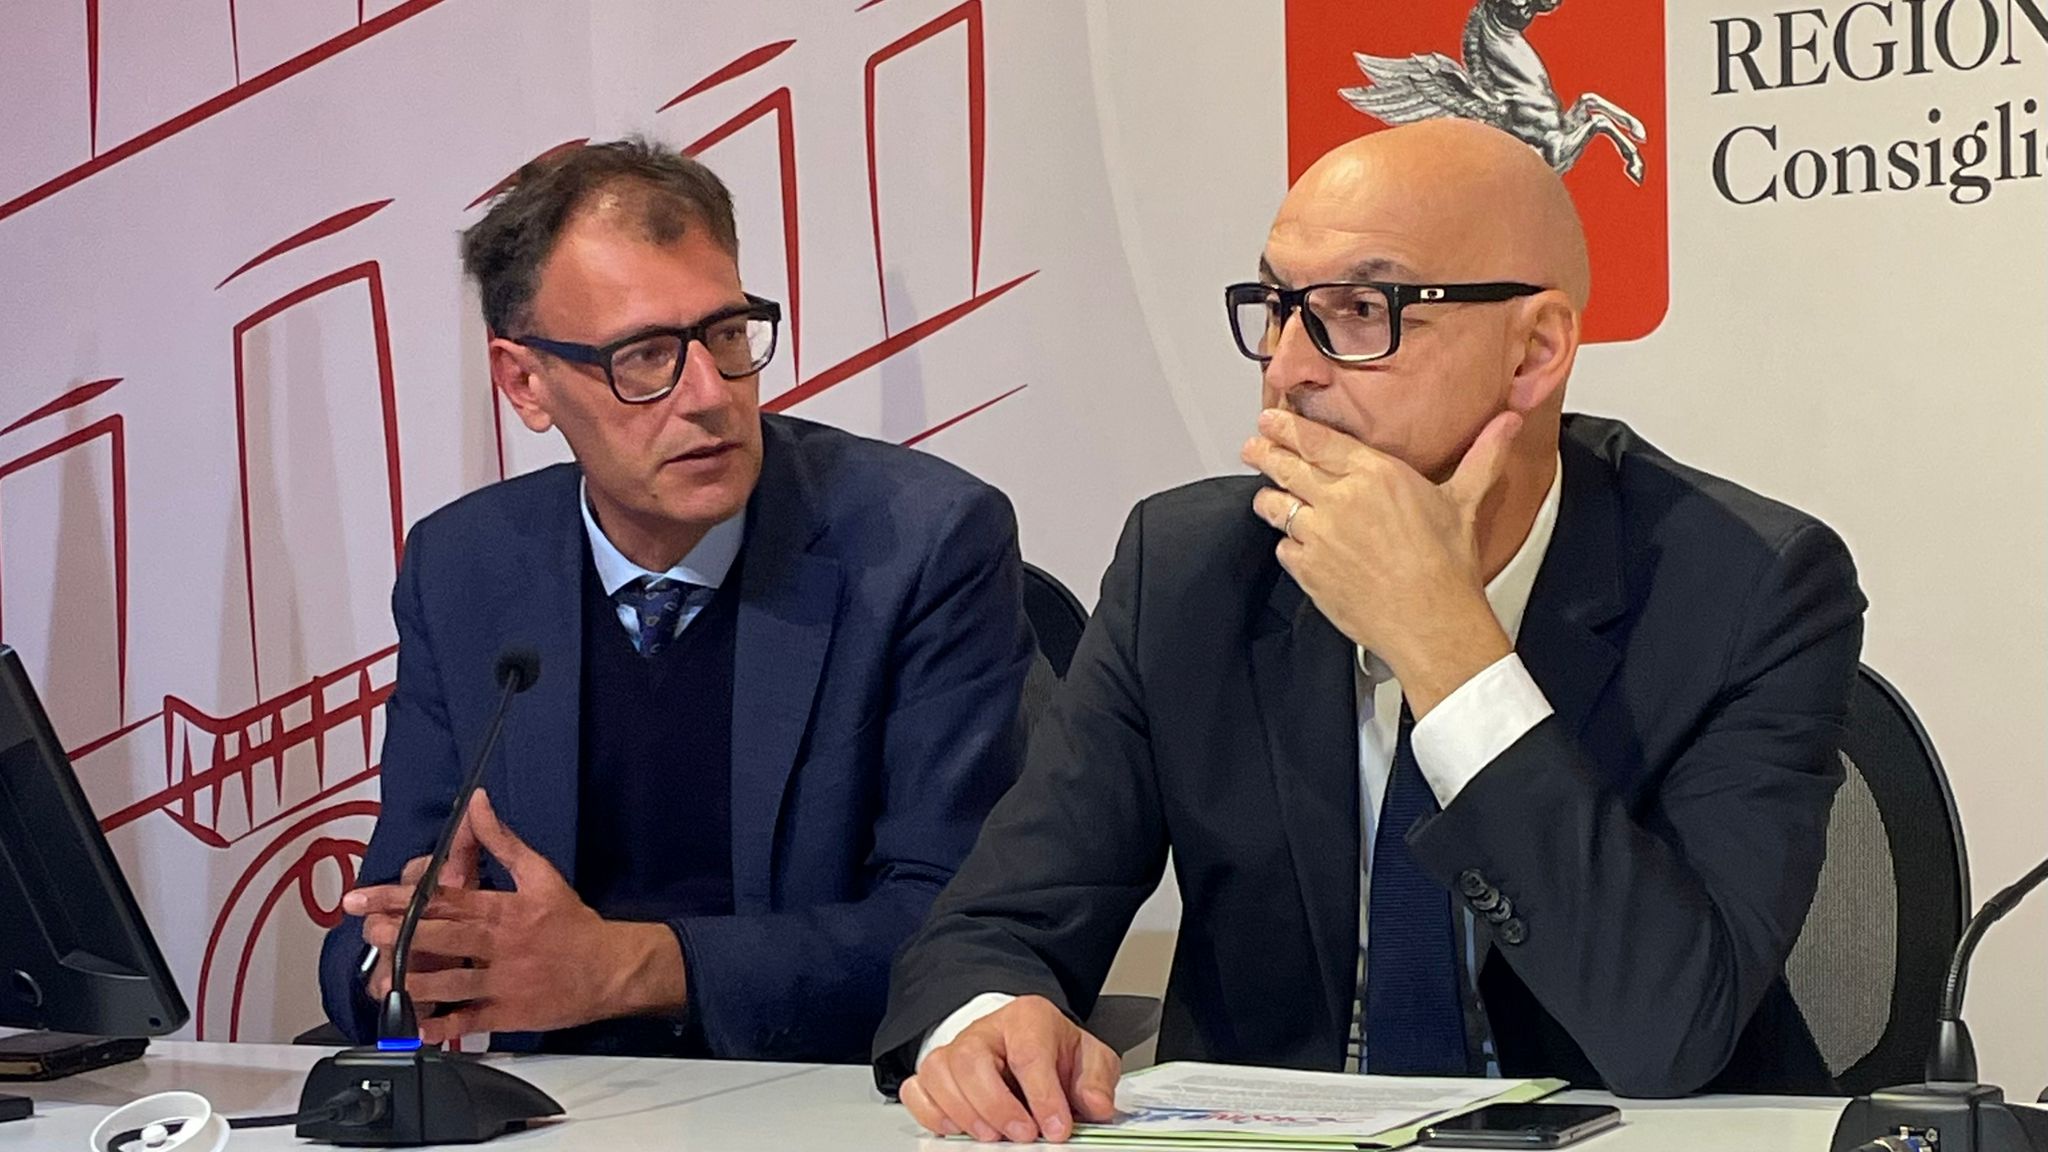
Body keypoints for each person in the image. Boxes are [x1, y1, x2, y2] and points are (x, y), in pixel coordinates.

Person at [876, 118, 1865, 1142]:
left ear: (1534, 351)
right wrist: (991, 1020)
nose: (1286, 369)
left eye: (1361, 312)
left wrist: (1448, 647)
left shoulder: (1748, 586)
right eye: (1277, 308)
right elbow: (992, 927)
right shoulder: (1189, 570)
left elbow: (1668, 1029)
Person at [316, 138, 1034, 1063]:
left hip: (817, 1100)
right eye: (644, 356)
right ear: (526, 381)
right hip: (558, 1109)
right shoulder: (464, 568)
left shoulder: (922, 546)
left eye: (727, 336)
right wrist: (408, 966)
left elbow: (962, 928)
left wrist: (630, 968)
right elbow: (383, 913)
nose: (708, 396)